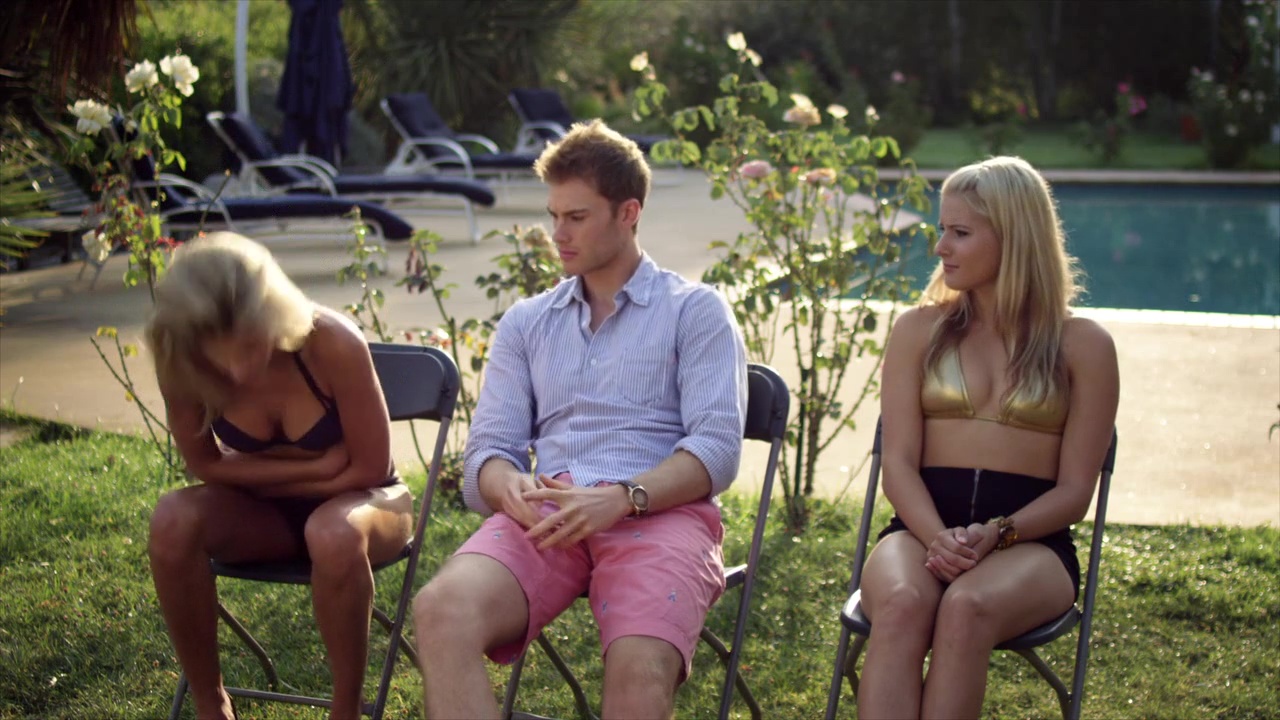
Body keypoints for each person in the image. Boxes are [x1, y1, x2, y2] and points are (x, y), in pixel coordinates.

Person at [411, 120, 748, 720]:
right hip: (549, 513)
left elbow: (717, 450)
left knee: (639, 670)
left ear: (628, 213)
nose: (558, 234)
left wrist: (621, 498)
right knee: (441, 611)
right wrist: (506, 486)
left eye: (576, 217)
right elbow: (488, 451)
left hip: (659, 514)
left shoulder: (694, 311)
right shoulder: (527, 322)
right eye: (554, 215)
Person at [856, 156, 1120, 719]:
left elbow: (1076, 491)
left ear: (1013, 237)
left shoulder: (1084, 345)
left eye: (960, 232)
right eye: (941, 229)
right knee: (901, 603)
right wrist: (938, 539)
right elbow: (897, 463)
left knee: (967, 607)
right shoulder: (918, 330)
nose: (940, 247)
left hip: (1032, 544)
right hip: (919, 531)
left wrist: (999, 532)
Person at [145, 232, 412, 720]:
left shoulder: (332, 343)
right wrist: (317, 467)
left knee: (332, 533)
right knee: (172, 519)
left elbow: (370, 468)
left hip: (369, 504)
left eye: (250, 345)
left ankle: (346, 711)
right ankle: (211, 704)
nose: (237, 370)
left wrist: (255, 476)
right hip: (266, 515)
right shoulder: (179, 358)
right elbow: (203, 464)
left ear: (274, 313)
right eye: (218, 354)